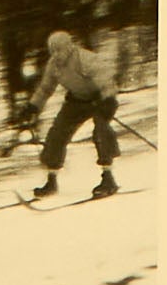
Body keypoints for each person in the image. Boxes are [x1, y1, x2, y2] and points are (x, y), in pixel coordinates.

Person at [27, 28, 121, 200]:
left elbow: (104, 78)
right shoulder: (54, 65)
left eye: (59, 50)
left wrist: (108, 99)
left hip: (98, 100)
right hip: (76, 101)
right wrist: (33, 106)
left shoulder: (84, 58)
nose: (57, 55)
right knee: (56, 134)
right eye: (53, 51)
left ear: (69, 47)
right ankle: (51, 181)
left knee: (101, 132)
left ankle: (108, 178)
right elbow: (46, 88)